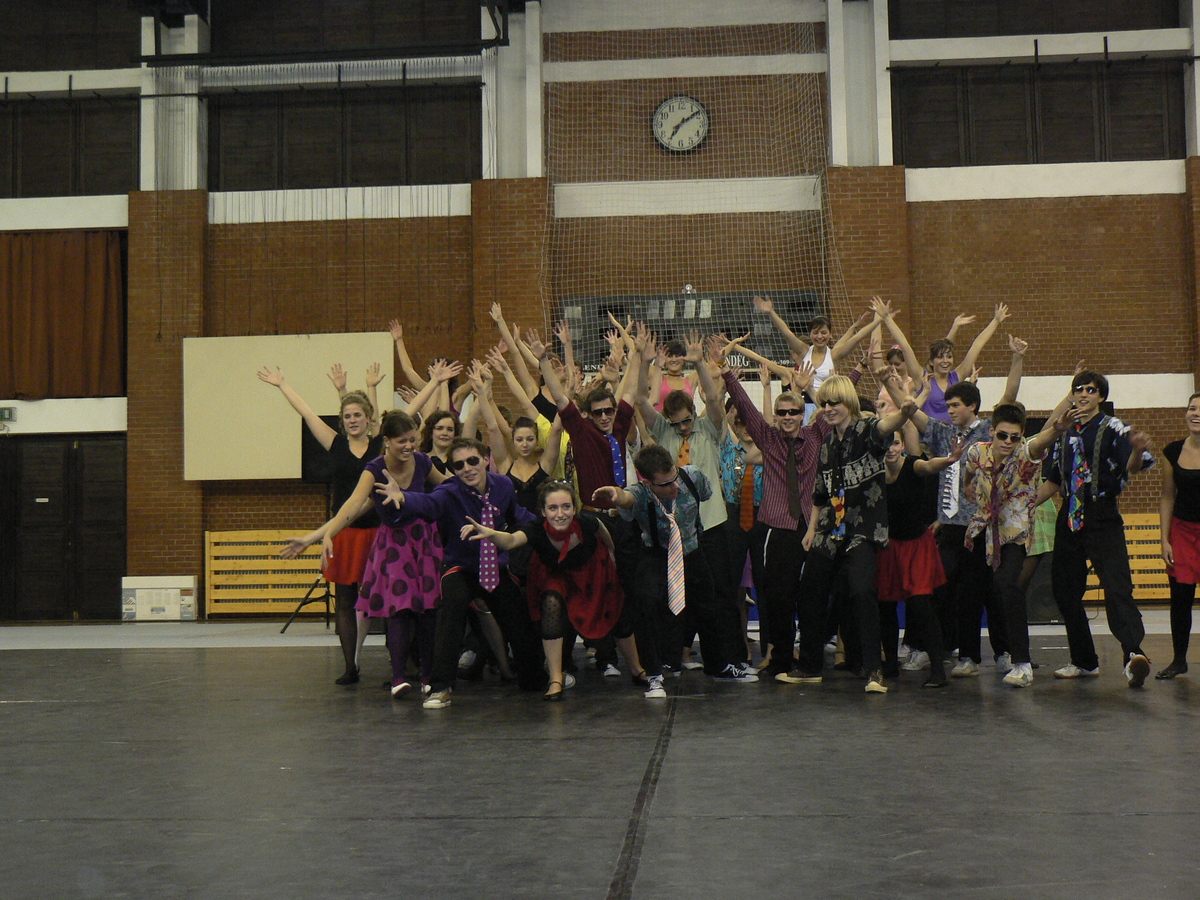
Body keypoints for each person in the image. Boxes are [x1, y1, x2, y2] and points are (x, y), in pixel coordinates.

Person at [875, 299, 1026, 677]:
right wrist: (888, 383)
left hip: (982, 523)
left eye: (955, 404)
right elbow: (912, 412)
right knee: (941, 587)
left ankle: (999, 653)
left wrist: (1016, 359)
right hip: (950, 524)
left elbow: (1009, 398)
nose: (949, 408)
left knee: (986, 590)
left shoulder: (988, 432)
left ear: (971, 406)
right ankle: (947, 651)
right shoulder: (942, 433)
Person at [714, 337, 864, 681]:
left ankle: (810, 663)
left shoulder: (815, 435)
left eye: (793, 412)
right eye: (781, 413)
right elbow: (744, 406)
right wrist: (725, 369)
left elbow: (837, 402)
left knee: (812, 598)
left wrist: (860, 368)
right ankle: (780, 660)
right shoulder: (767, 438)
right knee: (778, 599)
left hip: (812, 526)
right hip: (777, 528)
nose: (786, 417)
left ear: (802, 414)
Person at [377, 438, 545, 709]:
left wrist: (545, 524)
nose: (467, 468)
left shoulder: (503, 485)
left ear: (486, 460)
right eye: (459, 465)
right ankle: (440, 687)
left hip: (494, 567)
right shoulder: (449, 491)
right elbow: (428, 503)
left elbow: (518, 515)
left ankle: (534, 678)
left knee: (518, 618)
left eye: (472, 461)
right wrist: (404, 497)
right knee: (450, 611)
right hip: (461, 566)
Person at [290, 411, 447, 697]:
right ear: (387, 441)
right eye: (402, 441)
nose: (409, 446)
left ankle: (427, 676)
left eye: (412, 440)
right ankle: (398, 678)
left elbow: (447, 485)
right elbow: (353, 505)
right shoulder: (374, 469)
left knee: (427, 610)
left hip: (423, 541)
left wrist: (476, 486)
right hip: (395, 545)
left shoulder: (423, 462)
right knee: (399, 609)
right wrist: (325, 534)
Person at [593, 445, 758, 697]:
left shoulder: (691, 476)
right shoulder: (640, 493)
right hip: (657, 555)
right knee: (648, 607)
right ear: (648, 482)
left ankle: (720, 666)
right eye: (666, 484)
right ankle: (654, 675)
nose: (674, 486)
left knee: (709, 608)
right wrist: (615, 495)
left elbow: (706, 493)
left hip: (691, 551)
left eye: (674, 477)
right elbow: (625, 498)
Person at [462, 480, 649, 700]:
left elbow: (601, 529)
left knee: (617, 613)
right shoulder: (536, 529)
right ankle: (555, 678)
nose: (560, 514)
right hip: (556, 574)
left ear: (574, 508)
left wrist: (611, 552)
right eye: (553, 508)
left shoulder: (586, 522)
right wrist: (490, 533)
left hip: (591, 571)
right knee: (551, 603)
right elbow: (511, 541)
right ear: (543, 511)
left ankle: (636, 669)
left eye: (566, 507)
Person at [258, 366, 382, 685]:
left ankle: (401, 663)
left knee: (380, 597)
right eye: (347, 416)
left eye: (358, 415)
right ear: (342, 421)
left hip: (377, 531)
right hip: (342, 531)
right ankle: (350, 666)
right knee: (345, 600)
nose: (352, 420)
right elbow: (307, 412)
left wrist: (433, 383)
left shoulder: (379, 445)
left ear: (368, 418)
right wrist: (283, 384)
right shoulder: (336, 444)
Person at [795, 375, 918, 693]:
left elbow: (886, 426)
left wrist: (904, 412)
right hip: (828, 531)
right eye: (824, 403)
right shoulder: (827, 444)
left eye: (834, 402)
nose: (828, 408)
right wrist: (811, 529)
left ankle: (874, 671)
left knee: (863, 594)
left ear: (848, 402)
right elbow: (819, 494)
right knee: (810, 592)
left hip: (862, 530)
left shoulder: (866, 430)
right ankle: (809, 667)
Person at [634, 329, 747, 672]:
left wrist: (699, 364)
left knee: (721, 594)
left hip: (711, 524)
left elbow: (713, 399)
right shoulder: (663, 431)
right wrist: (645, 362)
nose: (683, 428)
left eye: (686, 421)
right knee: (676, 597)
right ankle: (672, 659)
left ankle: (729, 660)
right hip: (676, 530)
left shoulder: (708, 427)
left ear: (692, 414)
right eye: (677, 423)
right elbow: (639, 400)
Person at [1041, 370, 1154, 687]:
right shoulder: (1063, 431)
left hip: (1102, 514)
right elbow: (1053, 481)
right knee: (1065, 590)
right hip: (1070, 514)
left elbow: (1134, 466)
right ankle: (1084, 661)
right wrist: (1023, 505)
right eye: (1078, 389)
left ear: (1101, 396)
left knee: (1117, 587)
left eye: (1090, 390)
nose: (1083, 394)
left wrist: (1136, 450)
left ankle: (1133, 655)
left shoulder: (1114, 427)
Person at [963, 402, 1071, 688]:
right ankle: (971, 656)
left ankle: (1021, 663)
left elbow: (1039, 442)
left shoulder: (1025, 453)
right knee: (974, 588)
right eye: (1002, 435)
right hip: (984, 527)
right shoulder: (977, 452)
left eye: (1014, 437)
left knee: (1007, 585)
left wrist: (1057, 429)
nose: (1008, 442)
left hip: (1014, 531)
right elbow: (969, 470)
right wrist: (967, 485)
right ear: (992, 432)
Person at [878, 430, 964, 687]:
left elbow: (929, 466)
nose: (890, 448)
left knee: (921, 605)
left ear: (903, 444)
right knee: (885, 605)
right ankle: (890, 664)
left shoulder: (913, 465)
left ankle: (937, 669)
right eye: (885, 444)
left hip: (916, 545)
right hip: (889, 545)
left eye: (895, 443)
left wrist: (949, 460)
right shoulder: (875, 471)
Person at [887, 302, 1010, 422]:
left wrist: (996, 321)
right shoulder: (922, 378)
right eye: (940, 357)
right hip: (928, 433)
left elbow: (977, 345)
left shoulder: (957, 376)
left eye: (949, 357)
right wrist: (887, 318)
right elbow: (905, 346)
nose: (945, 361)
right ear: (931, 361)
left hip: (954, 433)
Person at [1157, 392, 1200, 679]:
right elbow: (1167, 496)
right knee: (1181, 598)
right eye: (1192, 408)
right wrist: (1164, 539)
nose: (1196, 413)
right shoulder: (1172, 451)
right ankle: (1179, 660)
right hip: (1183, 532)